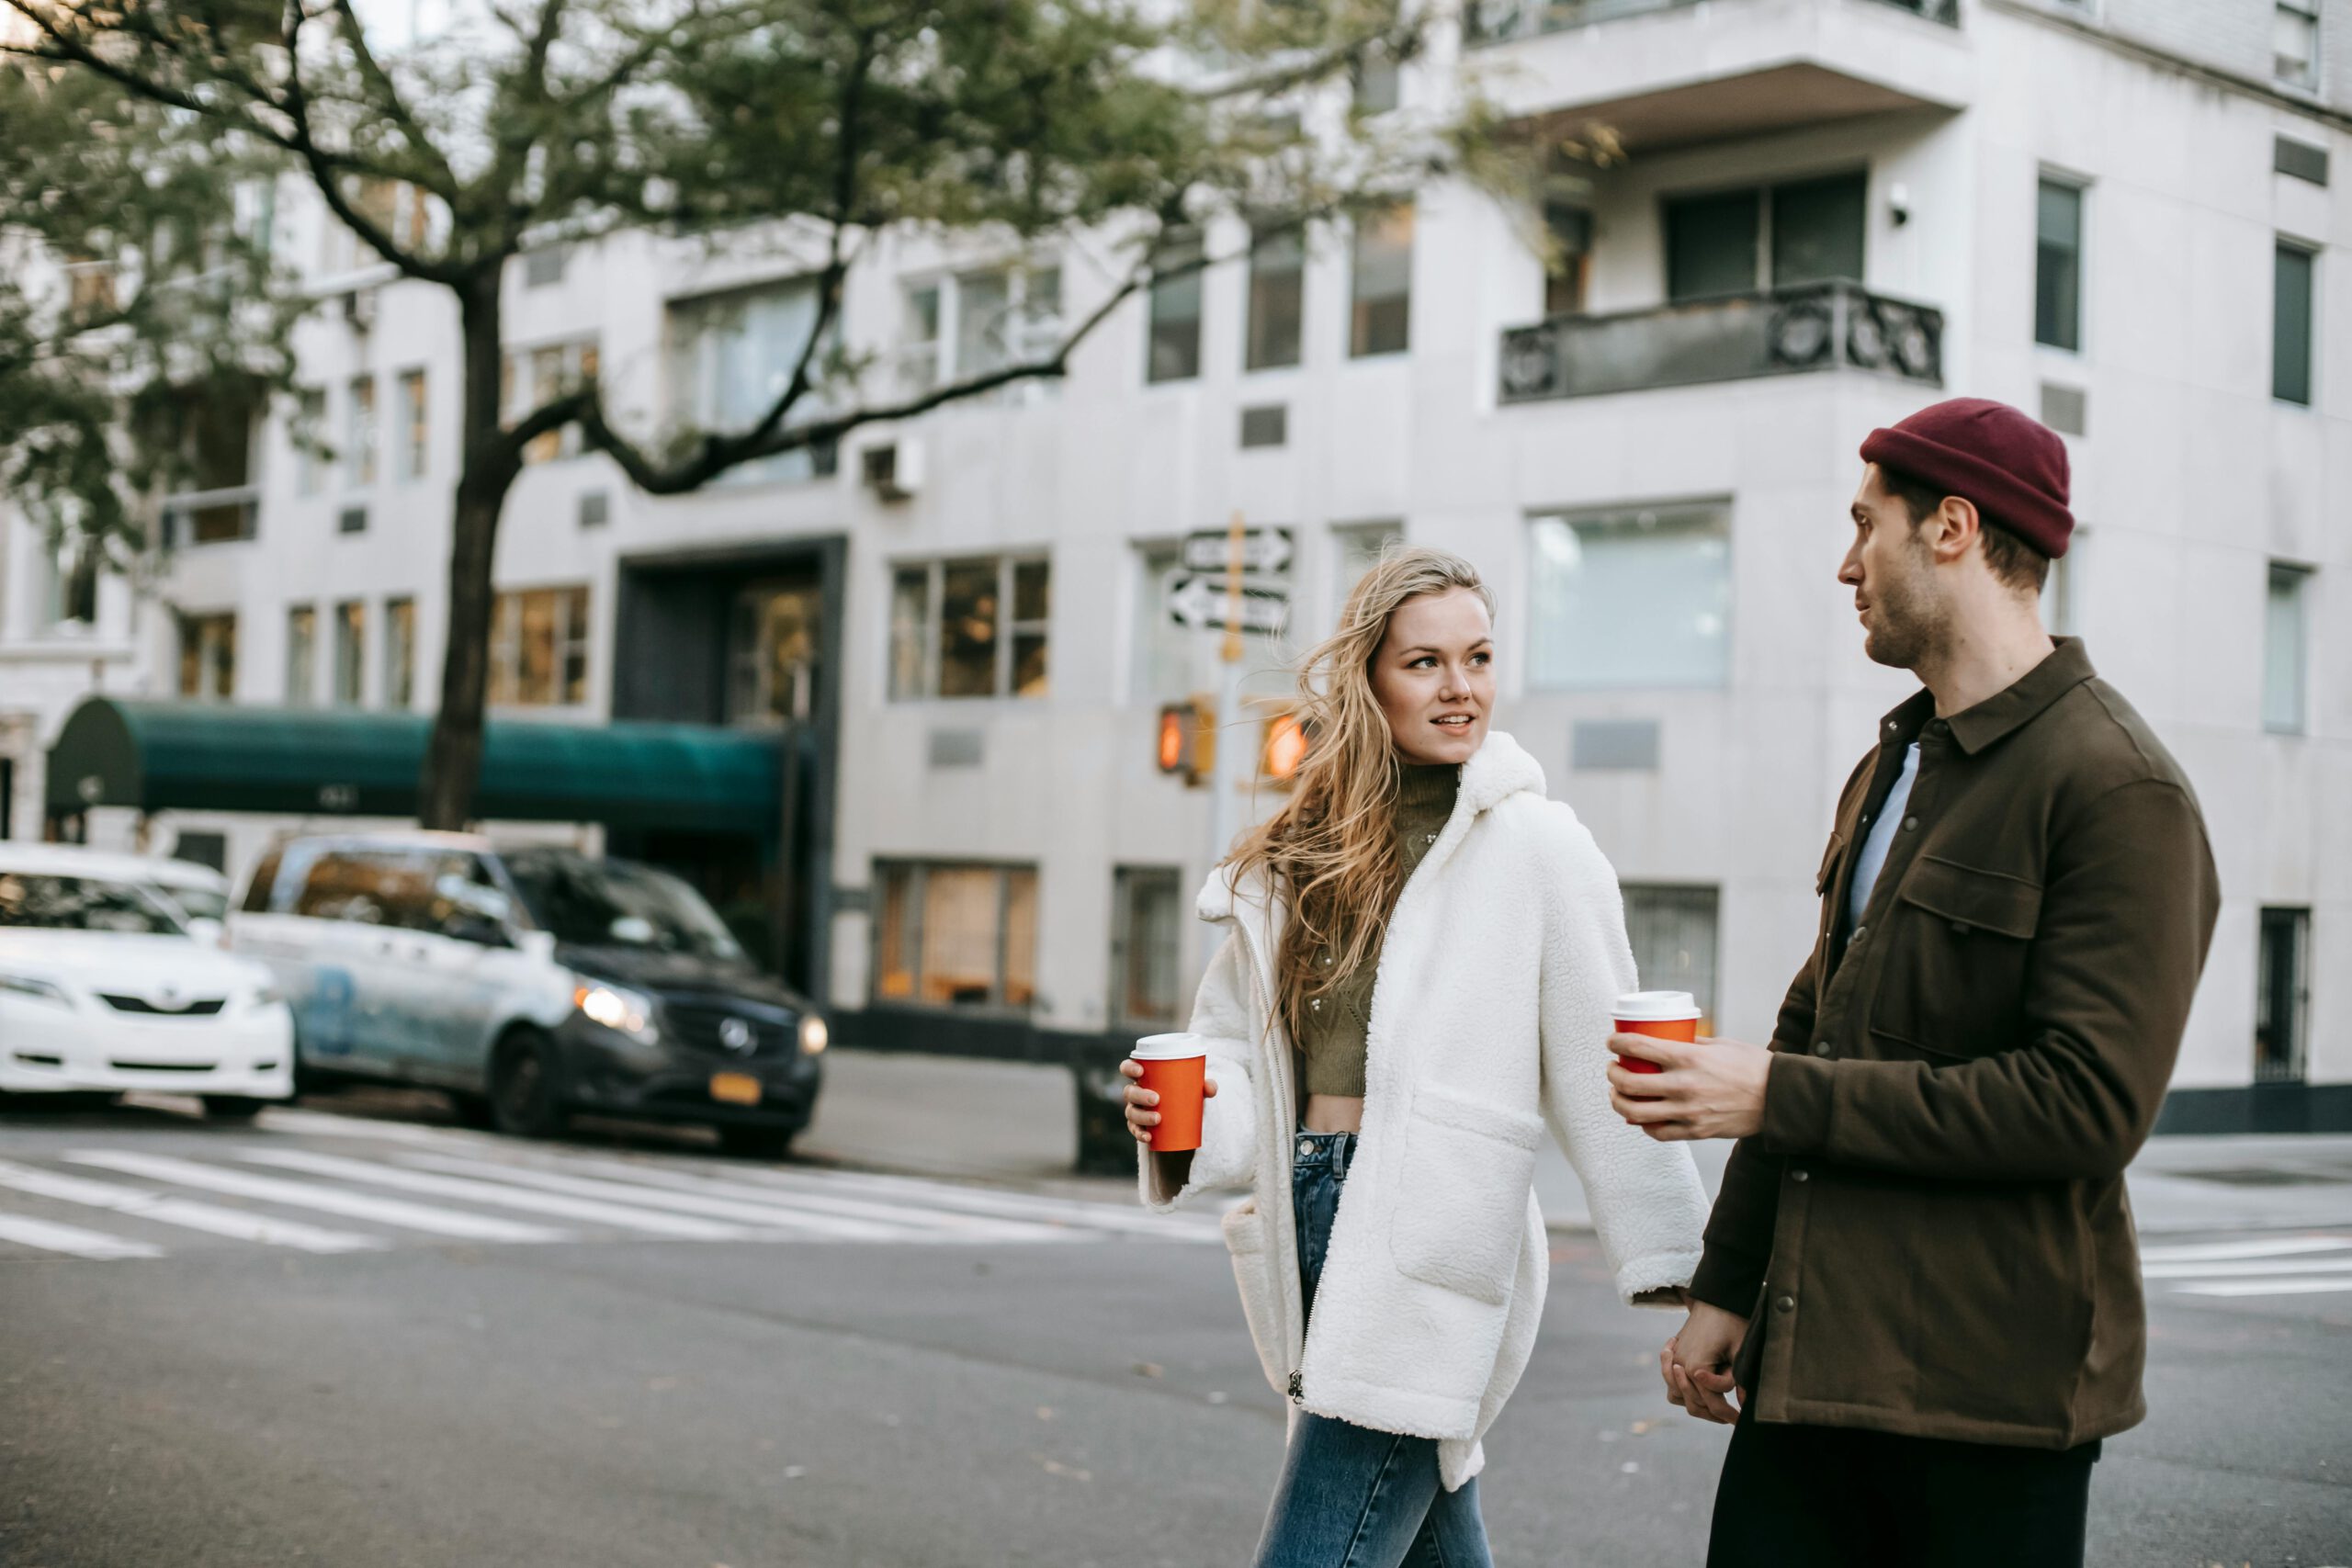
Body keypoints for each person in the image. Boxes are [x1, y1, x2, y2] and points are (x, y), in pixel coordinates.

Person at [1610, 398, 2221, 1568]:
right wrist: (1726, 1282)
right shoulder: (1893, 762)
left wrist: (1774, 1094)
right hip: (1810, 1372)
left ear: (1950, 528)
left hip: (1985, 1401)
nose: (1846, 566)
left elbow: (2084, 1106)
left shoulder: (2116, 789)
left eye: (1863, 527)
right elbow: (1813, 1029)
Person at [1123, 546, 1709, 1567]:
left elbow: (1609, 1062)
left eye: (1477, 658)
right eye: (1425, 663)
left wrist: (1689, 1267)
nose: (1460, 688)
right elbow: (1241, 1053)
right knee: (1431, 1532)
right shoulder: (1301, 853)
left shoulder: (1534, 845)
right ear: (1370, 679)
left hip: (1433, 1226)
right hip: (1312, 1201)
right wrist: (1184, 1116)